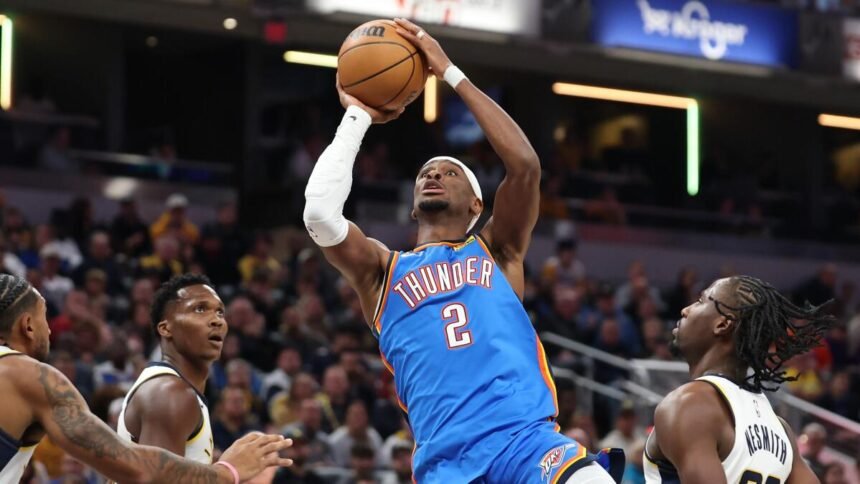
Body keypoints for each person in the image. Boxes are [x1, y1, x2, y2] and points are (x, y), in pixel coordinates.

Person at [302, 18, 620, 483]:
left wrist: (450, 72)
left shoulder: (497, 249)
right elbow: (319, 215)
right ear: (413, 206)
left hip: (525, 443)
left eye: (449, 172)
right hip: (446, 464)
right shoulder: (381, 271)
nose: (433, 174)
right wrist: (357, 116)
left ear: (476, 204)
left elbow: (525, 165)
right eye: (425, 173)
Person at [0, 273, 293, 482]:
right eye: (45, 318)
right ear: (28, 325)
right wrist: (228, 472)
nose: (50, 330)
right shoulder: (30, 378)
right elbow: (136, 468)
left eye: (220, 311)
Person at [644, 275, 834, 483]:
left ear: (723, 324)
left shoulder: (688, 403)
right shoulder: (781, 430)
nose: (685, 310)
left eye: (700, 301)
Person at [117, 274, 225, 464]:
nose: (217, 320)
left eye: (220, 312)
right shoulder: (170, 393)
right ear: (166, 329)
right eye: (200, 309)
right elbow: (157, 477)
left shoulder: (171, 388)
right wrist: (229, 471)